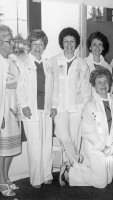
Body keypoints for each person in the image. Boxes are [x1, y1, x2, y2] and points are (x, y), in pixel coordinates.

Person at [59, 67, 113, 188]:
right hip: (96, 148)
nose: (103, 85)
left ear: (109, 83)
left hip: (110, 147)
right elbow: (88, 131)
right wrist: (102, 147)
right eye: (99, 82)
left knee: (109, 180)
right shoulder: (90, 105)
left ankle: (77, 167)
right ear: (94, 85)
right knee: (101, 183)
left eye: (105, 82)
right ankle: (69, 173)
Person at [17, 29, 57, 188]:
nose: (38, 47)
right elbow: (20, 87)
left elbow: (54, 87)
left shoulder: (47, 64)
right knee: (34, 144)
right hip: (31, 109)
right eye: (34, 44)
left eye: (41, 44)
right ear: (30, 45)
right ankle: (36, 178)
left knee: (47, 143)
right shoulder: (23, 62)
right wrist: (23, 106)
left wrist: (54, 105)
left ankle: (47, 174)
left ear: (44, 46)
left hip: (46, 109)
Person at [50, 27, 90, 164]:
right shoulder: (53, 61)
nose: (69, 45)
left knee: (75, 139)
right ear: (62, 43)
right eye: (66, 41)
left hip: (77, 107)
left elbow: (86, 89)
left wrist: (85, 108)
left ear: (76, 43)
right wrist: (53, 105)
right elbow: (52, 85)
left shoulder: (82, 63)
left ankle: (69, 169)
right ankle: (76, 162)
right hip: (59, 107)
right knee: (63, 135)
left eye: (72, 41)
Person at [0, 25, 21, 196]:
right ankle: (0, 181)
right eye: (8, 40)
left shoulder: (13, 60)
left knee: (11, 148)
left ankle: (6, 177)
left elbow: (19, 85)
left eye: (11, 39)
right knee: (2, 148)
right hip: (2, 108)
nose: (12, 42)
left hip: (14, 108)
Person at [84, 31, 112, 96]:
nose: (97, 47)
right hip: (86, 102)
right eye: (94, 45)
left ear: (103, 47)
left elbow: (110, 88)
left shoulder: (108, 67)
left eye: (100, 45)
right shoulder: (83, 63)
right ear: (90, 47)